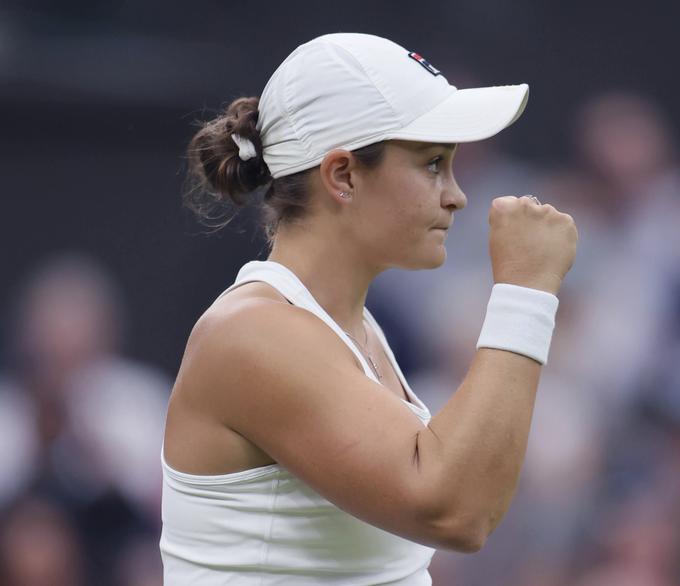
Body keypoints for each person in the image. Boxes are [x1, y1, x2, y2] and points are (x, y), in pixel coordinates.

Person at [159, 32, 578, 585]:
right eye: (433, 162)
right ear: (344, 176)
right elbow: (458, 511)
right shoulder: (252, 334)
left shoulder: (350, 327)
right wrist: (526, 291)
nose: (457, 195)